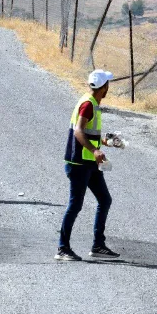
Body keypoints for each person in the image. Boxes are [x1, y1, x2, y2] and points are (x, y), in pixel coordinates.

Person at [56, 70, 121, 262]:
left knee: (105, 200)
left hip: (89, 164)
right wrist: (94, 151)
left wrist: (107, 143)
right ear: (104, 87)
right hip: (79, 164)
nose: (109, 87)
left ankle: (98, 246)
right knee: (75, 205)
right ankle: (62, 248)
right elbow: (79, 131)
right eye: (108, 84)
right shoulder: (88, 105)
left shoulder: (91, 102)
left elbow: (88, 133)